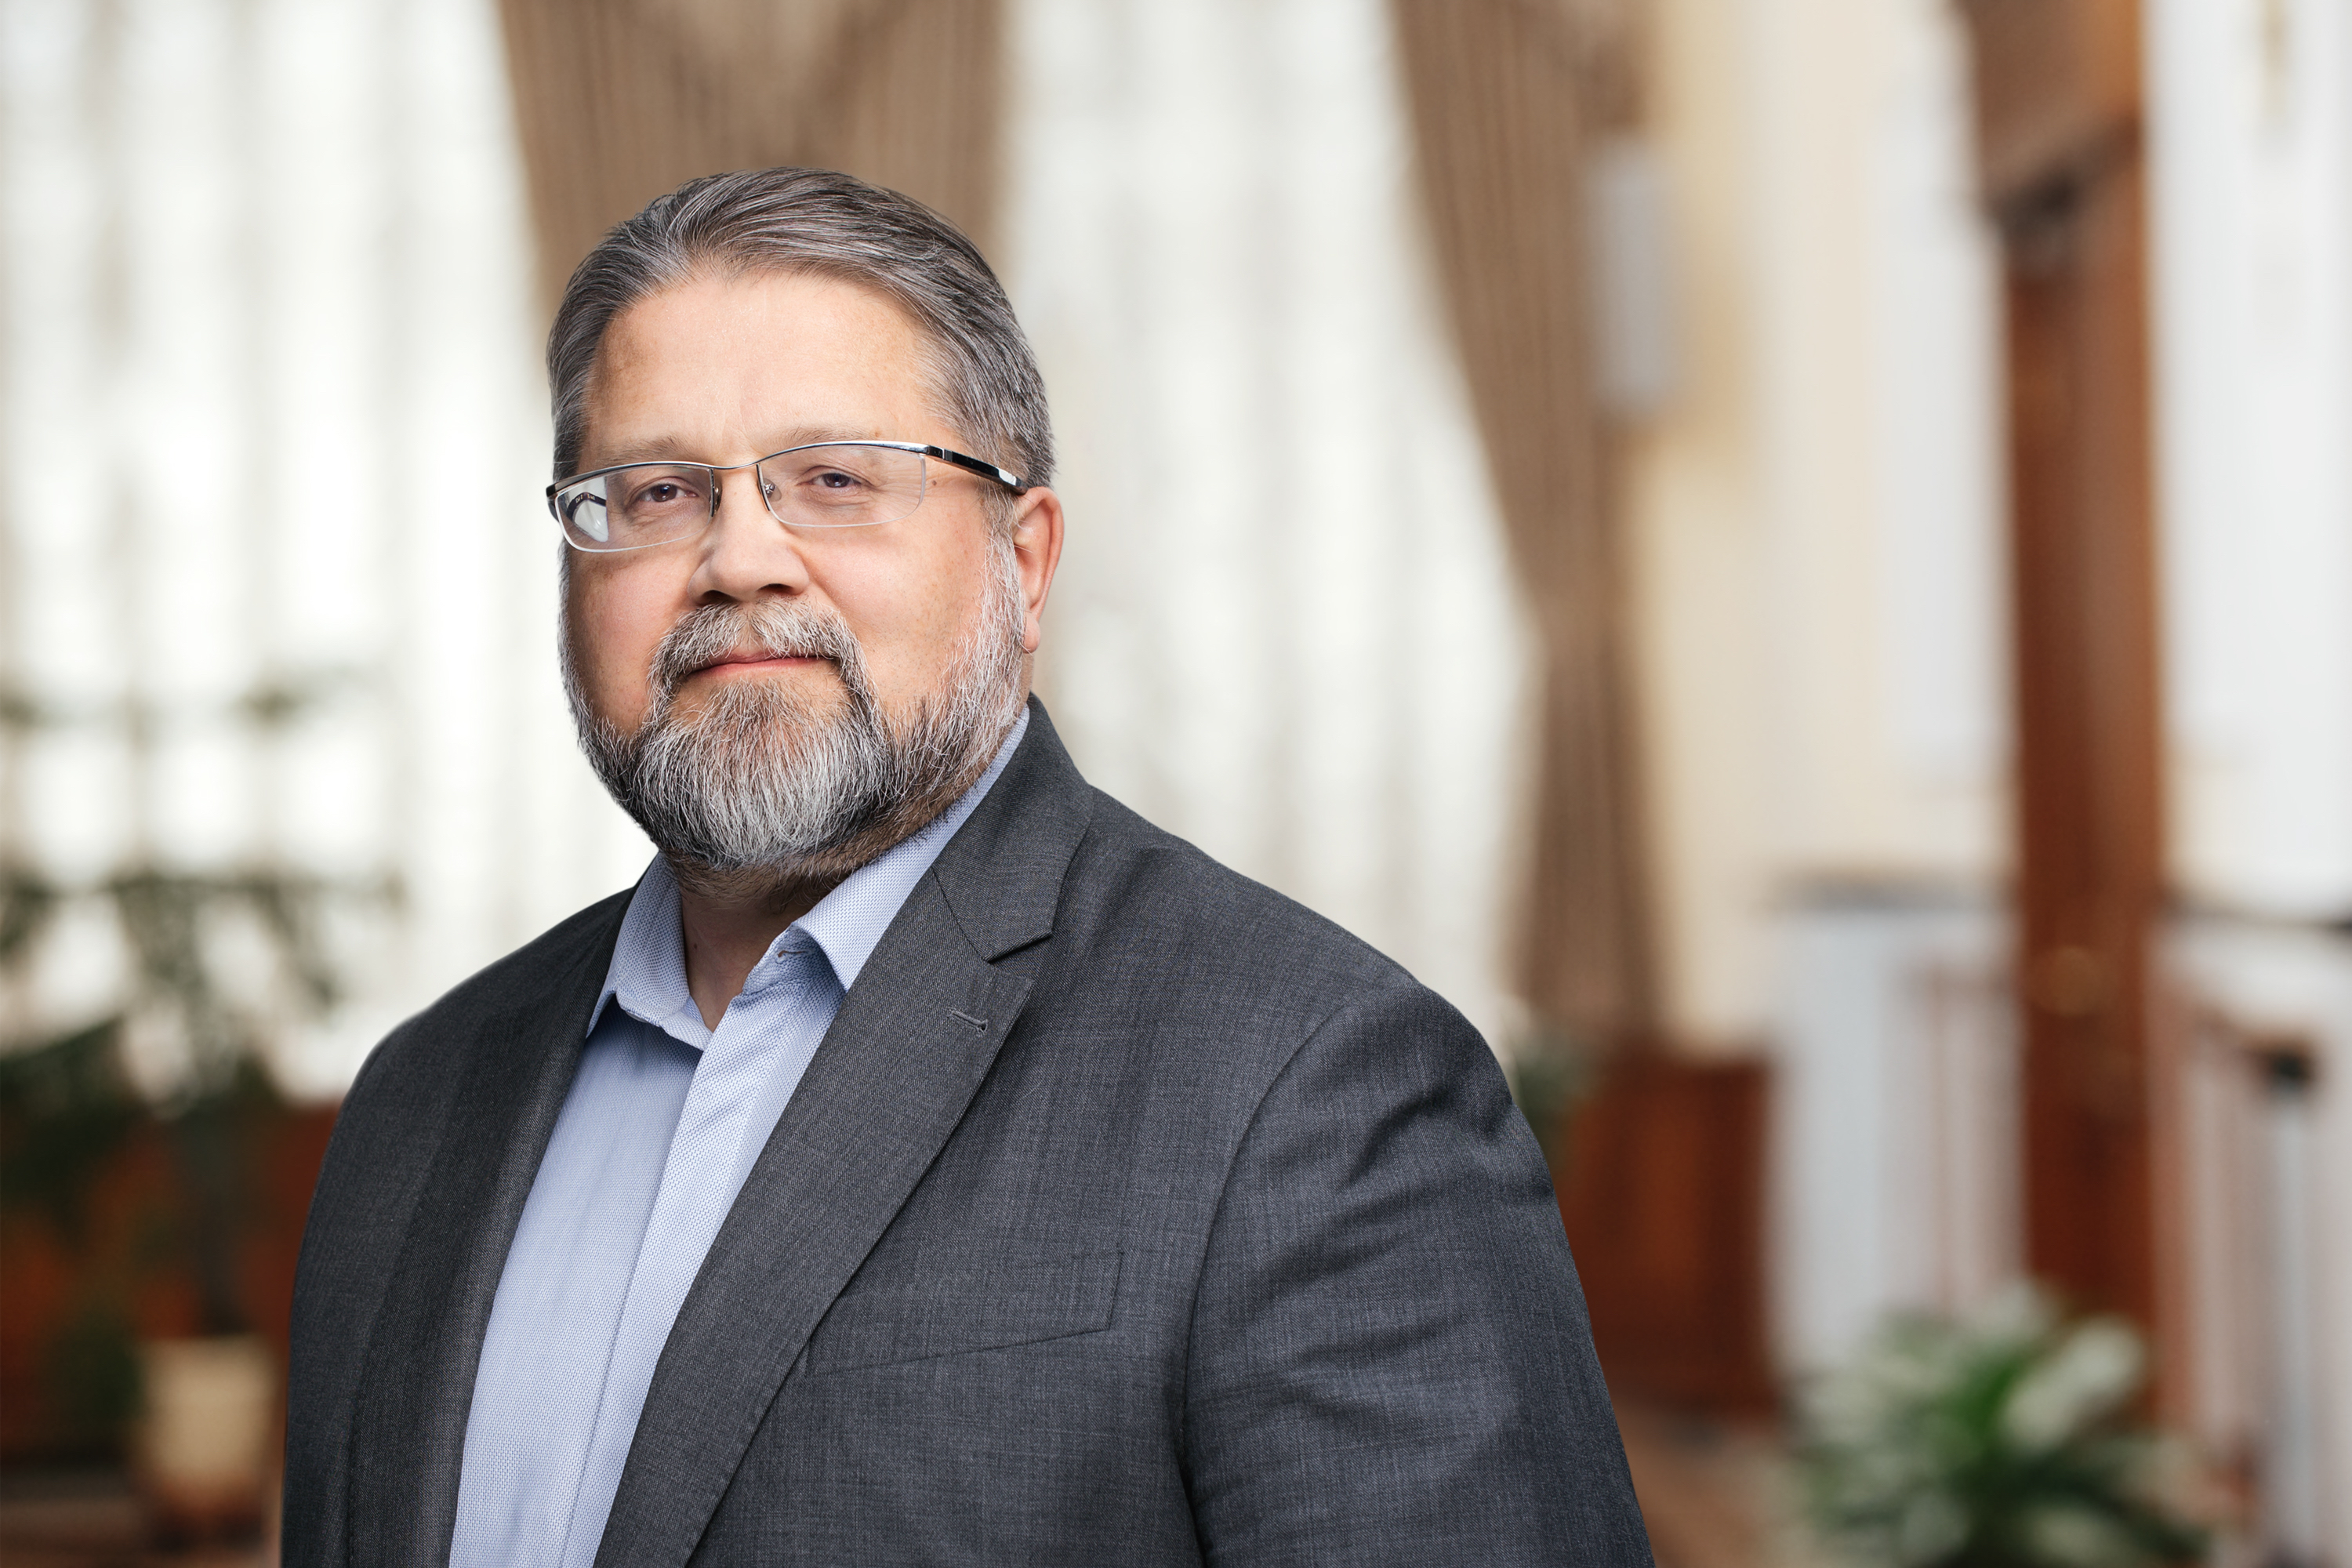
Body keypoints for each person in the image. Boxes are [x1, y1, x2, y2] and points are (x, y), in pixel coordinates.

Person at [284, 166, 1651, 1568]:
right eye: (658, 492)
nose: (740, 558)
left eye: (835, 479)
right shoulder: (419, 1099)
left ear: (1026, 561)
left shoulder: (1310, 1089)